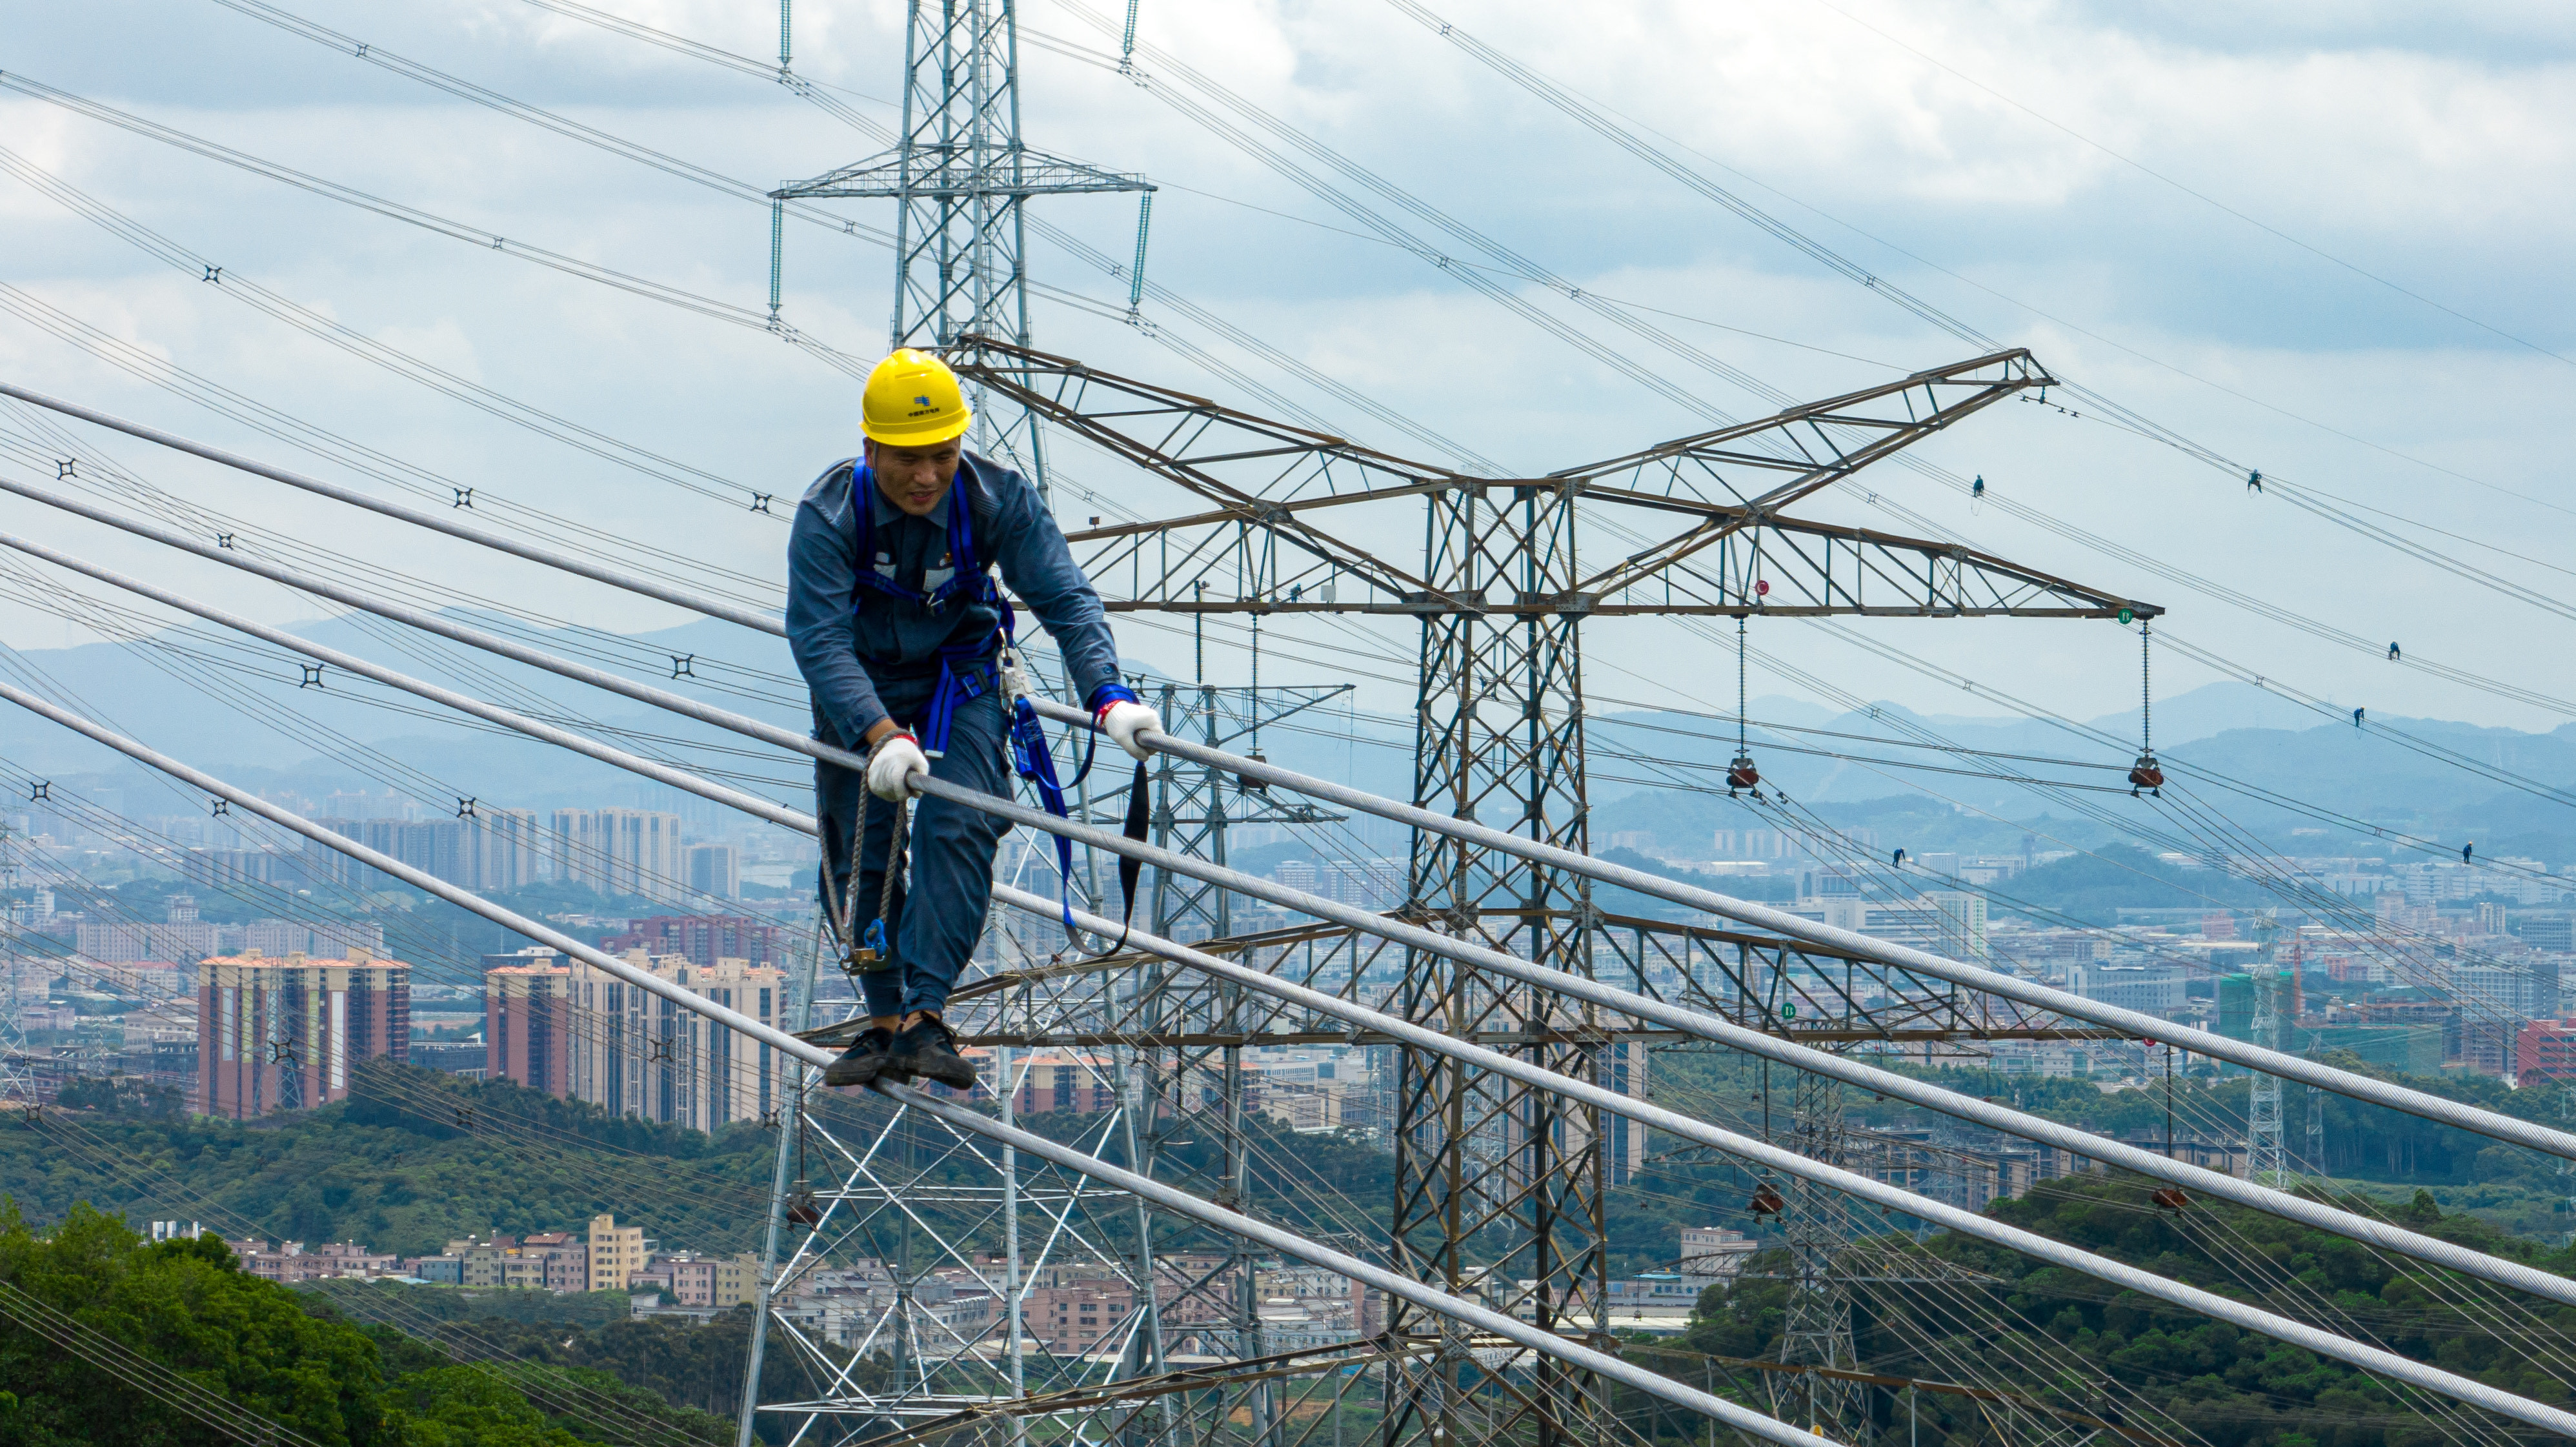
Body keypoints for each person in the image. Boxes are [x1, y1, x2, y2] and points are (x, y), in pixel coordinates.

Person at [787, 349, 1160, 1090]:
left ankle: (927, 1015)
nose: (927, 477)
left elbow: (1065, 599)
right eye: (908, 460)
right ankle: (882, 1018)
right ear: (869, 450)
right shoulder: (830, 513)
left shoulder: (994, 499)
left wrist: (1107, 695)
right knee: (859, 842)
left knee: (957, 821)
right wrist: (877, 733)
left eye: (944, 456)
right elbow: (818, 637)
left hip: (960, 680)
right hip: (859, 688)